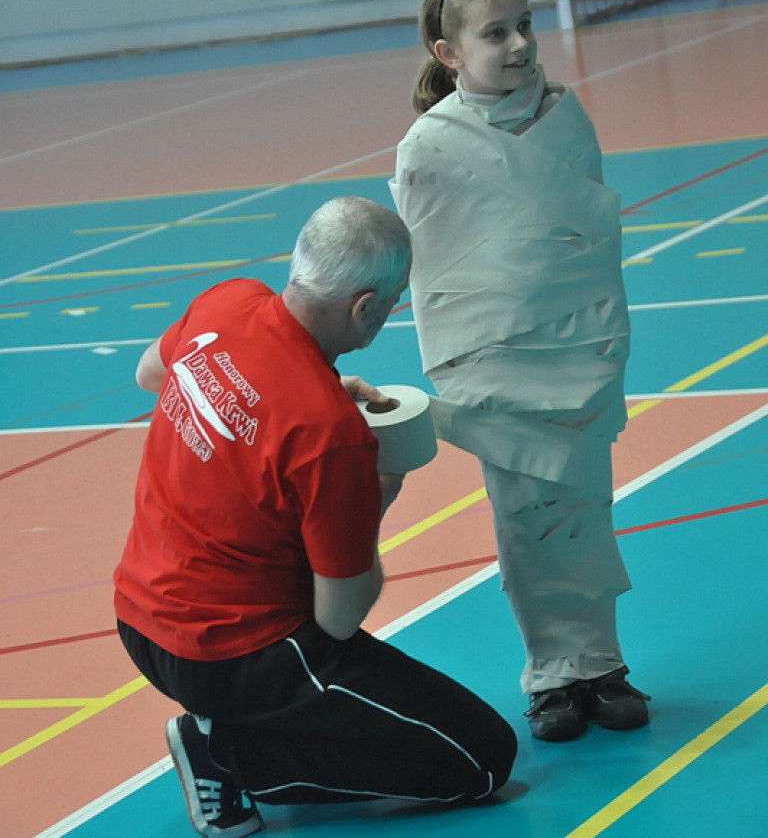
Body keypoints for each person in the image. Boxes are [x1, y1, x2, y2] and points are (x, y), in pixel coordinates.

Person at [113, 195, 517, 838]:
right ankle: (229, 754)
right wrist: (374, 489)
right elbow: (339, 616)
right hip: (232, 651)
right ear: (366, 306)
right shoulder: (331, 437)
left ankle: (229, 726)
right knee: (482, 760)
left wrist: (303, 392)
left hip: (138, 619)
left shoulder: (226, 302)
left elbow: (149, 374)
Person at [390, 0, 651, 743]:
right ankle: (552, 676)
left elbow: (587, 250)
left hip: (581, 353)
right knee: (526, 518)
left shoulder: (567, 121)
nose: (518, 43)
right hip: (498, 365)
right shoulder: (431, 147)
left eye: (525, 24)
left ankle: (601, 664)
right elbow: (439, 274)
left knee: (584, 510)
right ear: (449, 52)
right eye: (495, 32)